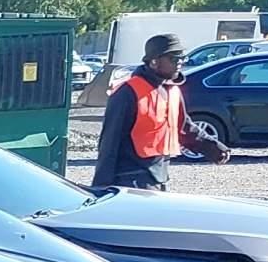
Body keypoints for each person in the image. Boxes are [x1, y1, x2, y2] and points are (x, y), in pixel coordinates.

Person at [92, 33, 229, 191]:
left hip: (158, 176)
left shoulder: (171, 90)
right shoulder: (127, 92)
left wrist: (213, 148)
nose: (180, 62)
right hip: (130, 179)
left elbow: (183, 128)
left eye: (182, 57)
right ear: (154, 62)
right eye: (173, 58)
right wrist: (101, 187)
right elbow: (109, 142)